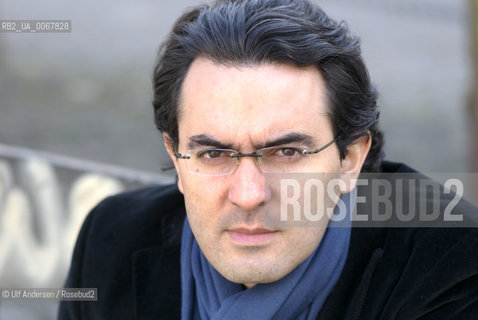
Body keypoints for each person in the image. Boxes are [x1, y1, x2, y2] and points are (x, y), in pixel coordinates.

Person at [58, 0, 478, 319]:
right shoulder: (110, 239)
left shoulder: (452, 263)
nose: (248, 195)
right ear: (176, 156)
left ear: (350, 158)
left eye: (286, 152)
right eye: (214, 153)